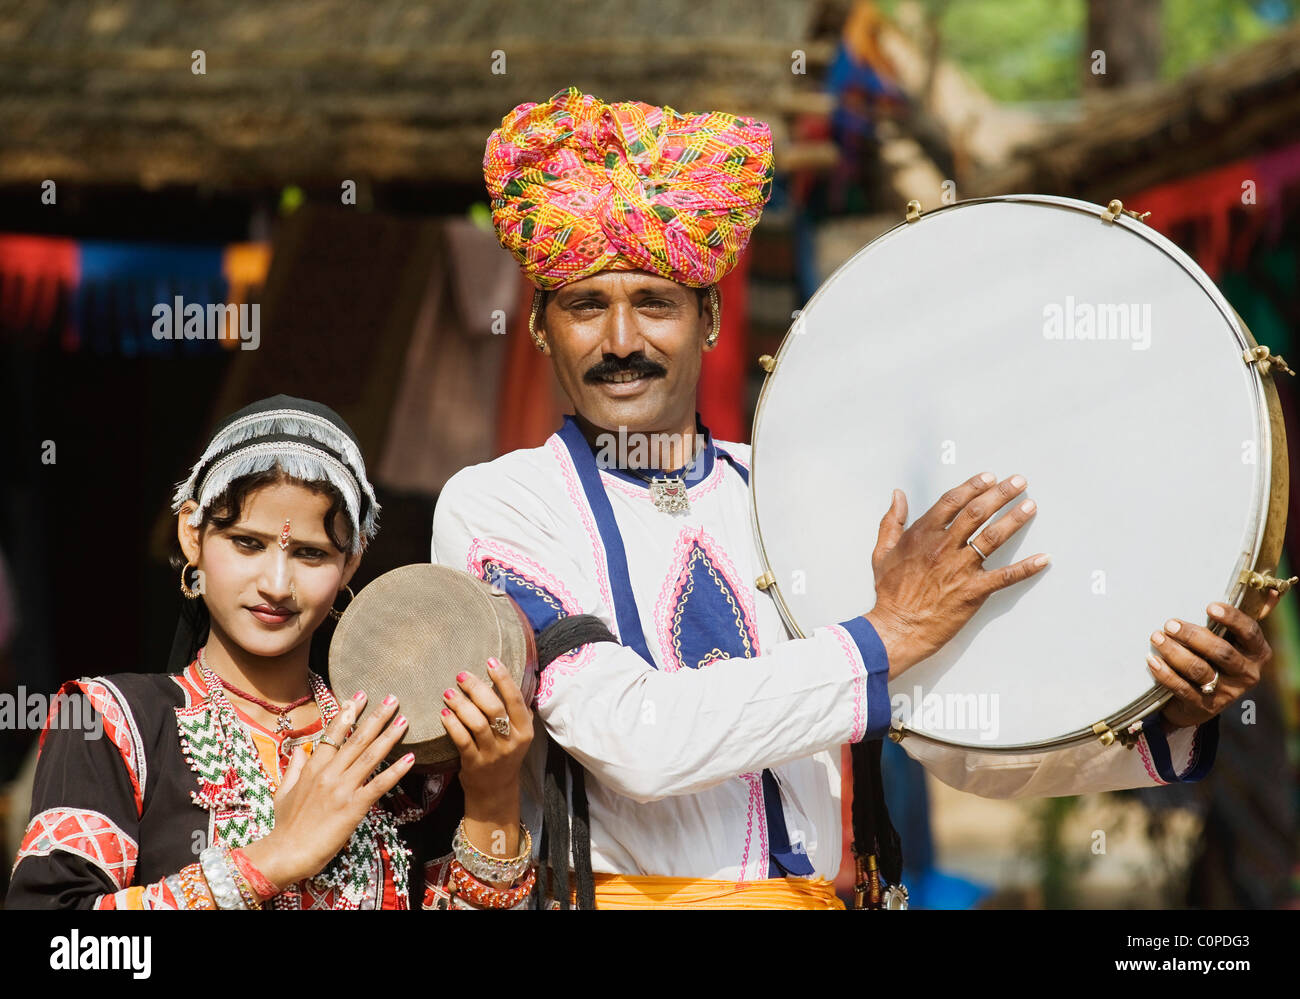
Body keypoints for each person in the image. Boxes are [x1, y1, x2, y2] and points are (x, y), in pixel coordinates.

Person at [430, 87, 1280, 909]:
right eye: (587, 307)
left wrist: (1168, 711)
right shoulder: (499, 507)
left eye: (654, 303)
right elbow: (634, 738)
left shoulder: (791, 488)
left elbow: (954, 741)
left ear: (711, 320)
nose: (622, 341)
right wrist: (893, 630)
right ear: (541, 326)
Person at [7, 395, 534, 909]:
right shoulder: (112, 726)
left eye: (311, 553)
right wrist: (270, 861)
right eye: (247, 543)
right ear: (192, 535)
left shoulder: (394, 744)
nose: (277, 584)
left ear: (350, 564)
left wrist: (493, 796)